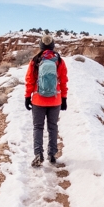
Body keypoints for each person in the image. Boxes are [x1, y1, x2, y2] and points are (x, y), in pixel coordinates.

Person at [25, 34, 68, 166]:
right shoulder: (59, 61)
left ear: (41, 46)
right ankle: (52, 154)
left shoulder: (35, 60)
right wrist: (64, 98)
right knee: (53, 127)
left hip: (38, 99)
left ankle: (38, 154)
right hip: (55, 100)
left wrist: (27, 97)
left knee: (38, 127)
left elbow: (30, 80)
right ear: (53, 46)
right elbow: (64, 80)